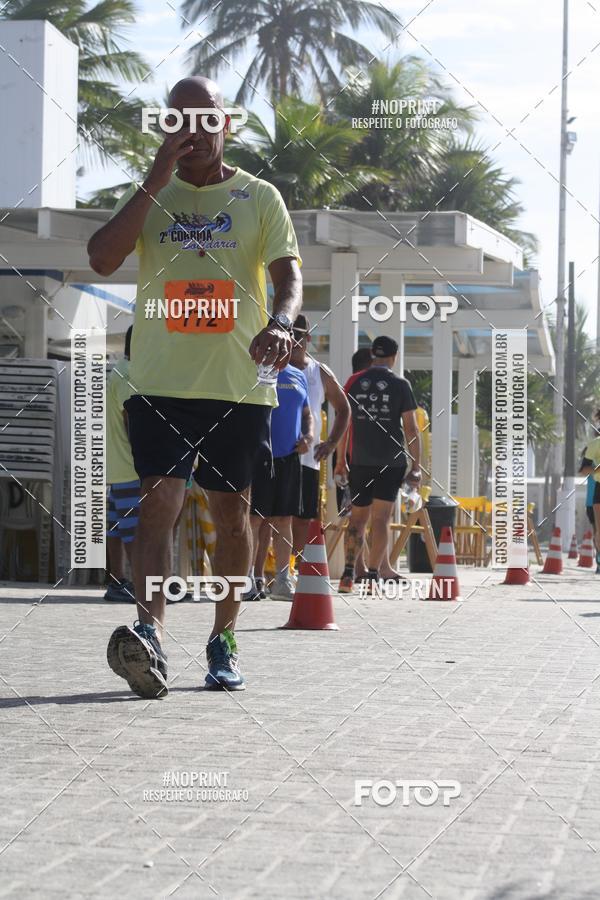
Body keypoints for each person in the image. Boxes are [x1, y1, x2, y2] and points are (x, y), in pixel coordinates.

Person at [88, 76, 302, 697]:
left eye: (207, 119)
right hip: (158, 382)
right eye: (180, 121)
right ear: (166, 130)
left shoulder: (260, 197)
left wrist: (281, 322)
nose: (195, 131)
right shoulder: (150, 198)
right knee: (158, 508)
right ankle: (148, 635)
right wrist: (154, 184)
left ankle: (223, 638)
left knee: (232, 519)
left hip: (237, 385)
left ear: (226, 124)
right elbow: (102, 258)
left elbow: (287, 276)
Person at [335, 336, 421, 593]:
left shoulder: (354, 382)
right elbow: (412, 429)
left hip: (360, 461)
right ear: (394, 356)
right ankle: (373, 577)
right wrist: (416, 466)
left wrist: (341, 461)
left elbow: (343, 423)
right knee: (381, 520)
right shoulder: (400, 385)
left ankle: (348, 575)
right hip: (391, 462)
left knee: (357, 521)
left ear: (372, 355)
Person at [250, 363, 313, 601]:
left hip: (289, 457)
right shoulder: (254, 370)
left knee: (284, 519)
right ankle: (250, 578)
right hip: (260, 455)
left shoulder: (298, 376)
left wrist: (308, 435)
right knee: (255, 519)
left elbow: (307, 414)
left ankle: (283, 579)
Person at [290, 314, 350, 556]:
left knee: (303, 516)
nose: (293, 341)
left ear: (308, 338)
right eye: (289, 335)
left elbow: (344, 408)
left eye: (298, 336)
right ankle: (269, 571)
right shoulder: (273, 369)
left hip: (308, 459)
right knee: (270, 516)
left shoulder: (318, 372)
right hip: (275, 455)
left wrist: (332, 443)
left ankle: (293, 566)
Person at [104, 326, 139, 603]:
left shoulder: (116, 372)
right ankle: (141, 585)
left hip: (115, 466)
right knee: (135, 532)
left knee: (115, 528)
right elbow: (132, 424)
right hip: (130, 466)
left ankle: (117, 582)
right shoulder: (129, 377)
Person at [579, 411, 600, 573]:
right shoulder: (593, 446)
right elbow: (584, 469)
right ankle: (599, 560)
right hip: (595, 494)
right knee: (597, 531)